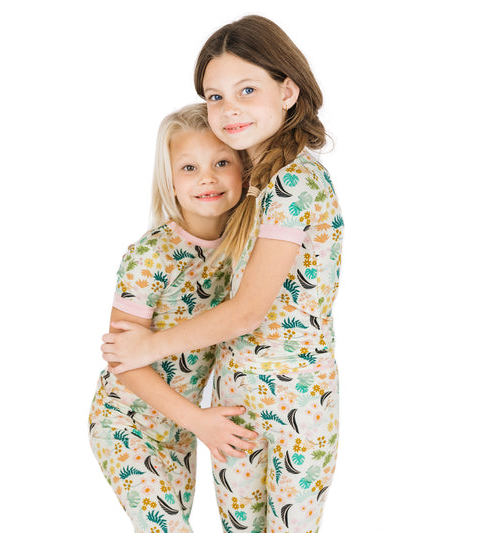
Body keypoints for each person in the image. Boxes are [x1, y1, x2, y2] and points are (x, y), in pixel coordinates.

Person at [102, 15, 343, 533]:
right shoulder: (254, 194)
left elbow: (247, 311)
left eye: (247, 90)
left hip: (294, 396)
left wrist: (148, 347)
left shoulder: (294, 183)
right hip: (233, 399)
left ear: (288, 91)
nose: (230, 108)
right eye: (215, 96)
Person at [88, 102, 258, 533]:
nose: (207, 178)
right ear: (171, 182)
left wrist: (192, 423)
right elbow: (122, 359)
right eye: (189, 168)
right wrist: (198, 420)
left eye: (222, 163)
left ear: (243, 170)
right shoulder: (151, 256)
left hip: (180, 432)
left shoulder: (244, 248)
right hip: (126, 423)